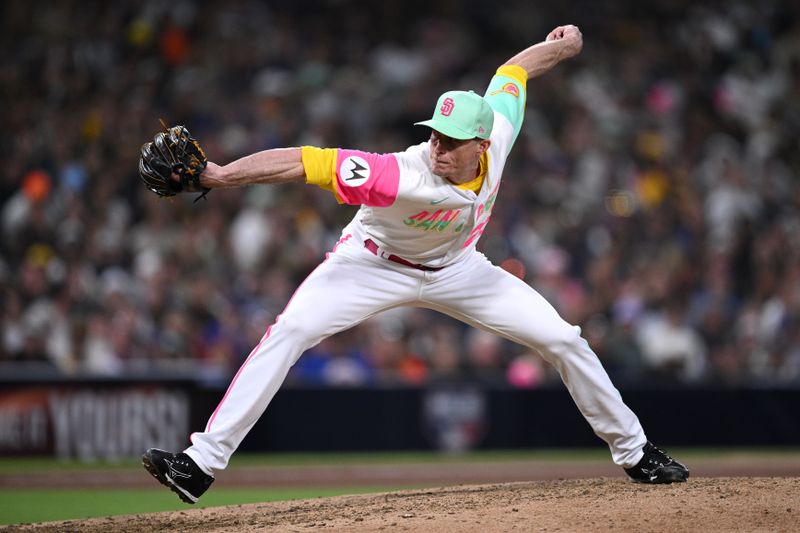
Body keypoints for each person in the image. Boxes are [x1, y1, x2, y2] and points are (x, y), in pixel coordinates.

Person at [142, 24, 689, 504]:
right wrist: (218, 175)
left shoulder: (498, 128)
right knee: (289, 331)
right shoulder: (401, 175)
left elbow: (514, 71)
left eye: (451, 141)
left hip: (460, 269)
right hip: (371, 264)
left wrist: (562, 48)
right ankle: (201, 464)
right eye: (433, 134)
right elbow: (304, 161)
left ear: (480, 142)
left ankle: (636, 453)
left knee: (565, 339)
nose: (437, 148)